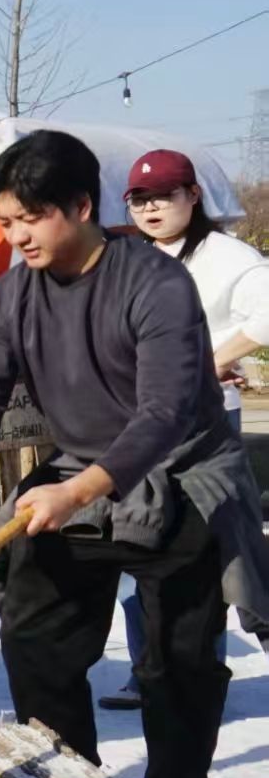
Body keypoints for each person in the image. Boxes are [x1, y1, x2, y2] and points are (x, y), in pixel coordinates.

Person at [0, 129, 269, 778]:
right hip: (78, 470)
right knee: (34, 636)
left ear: (80, 206)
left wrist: (76, 493)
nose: (18, 236)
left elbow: (164, 412)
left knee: (180, 662)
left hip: (182, 473)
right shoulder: (12, 295)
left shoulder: (156, 283)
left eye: (31, 218)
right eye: (6, 222)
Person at [101, 149, 269, 708]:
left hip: (204, 429)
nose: (152, 208)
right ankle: (147, 674)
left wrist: (212, 360)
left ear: (193, 196)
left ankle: (198, 676)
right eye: (140, 199)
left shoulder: (228, 256)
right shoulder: (129, 257)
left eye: (164, 196)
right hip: (137, 425)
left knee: (213, 553)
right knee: (137, 546)